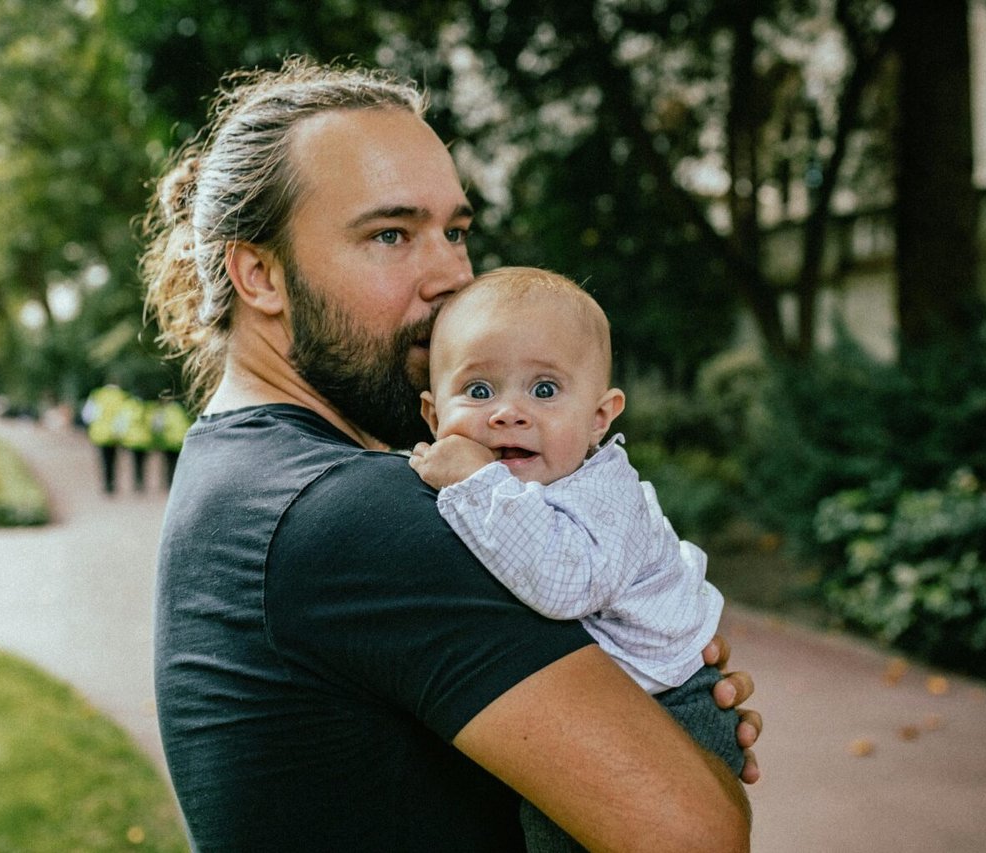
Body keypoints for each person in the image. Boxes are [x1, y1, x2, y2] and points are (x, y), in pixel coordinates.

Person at [143, 58, 760, 852]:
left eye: (456, 231)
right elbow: (698, 834)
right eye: (391, 235)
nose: (453, 276)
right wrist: (679, 733)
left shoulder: (238, 473)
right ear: (259, 274)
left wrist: (646, 671)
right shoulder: (354, 511)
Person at [409, 267, 741, 852]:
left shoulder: (604, 493)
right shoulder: (501, 487)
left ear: (599, 418)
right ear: (435, 419)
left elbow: (565, 585)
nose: (508, 413)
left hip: (672, 706)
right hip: (616, 702)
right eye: (479, 391)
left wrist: (477, 482)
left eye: (544, 390)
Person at [81, 383, 128, 494]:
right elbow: (124, 416)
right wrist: (121, 431)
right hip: (115, 434)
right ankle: (112, 482)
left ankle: (106, 482)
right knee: (113, 459)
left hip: (100, 433)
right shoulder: (121, 396)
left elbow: (87, 415)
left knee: (104, 459)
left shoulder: (97, 395)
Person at [150, 398, 192, 490]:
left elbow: (157, 427)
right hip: (179, 442)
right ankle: (176, 482)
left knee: (168, 465)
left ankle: (168, 483)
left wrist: (156, 440)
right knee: (177, 465)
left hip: (169, 442)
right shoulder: (179, 410)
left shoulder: (163, 412)